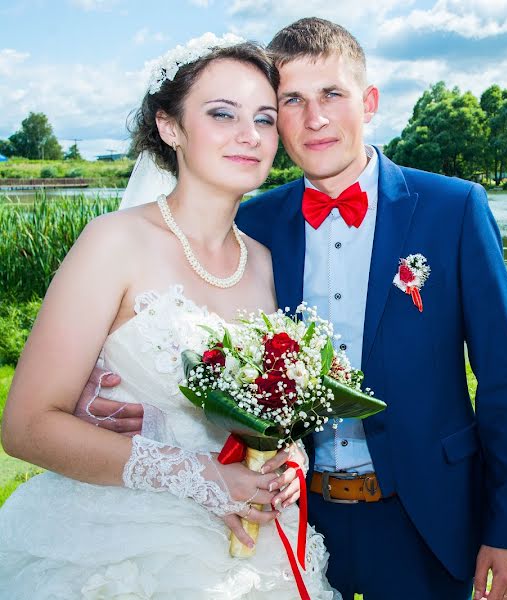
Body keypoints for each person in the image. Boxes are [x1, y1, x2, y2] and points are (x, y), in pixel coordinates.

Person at [78, 17, 507, 600]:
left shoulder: (454, 209)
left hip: (429, 516)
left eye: (332, 95)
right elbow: (190, 336)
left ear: (367, 101)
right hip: (293, 518)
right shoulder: (252, 222)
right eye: (291, 100)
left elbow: (505, 380)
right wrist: (118, 393)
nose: (314, 118)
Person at [0, 36, 339, 599]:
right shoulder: (114, 243)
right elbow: (25, 425)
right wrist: (206, 479)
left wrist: (285, 460)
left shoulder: (269, 264)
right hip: (126, 546)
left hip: (255, 549)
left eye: (264, 118)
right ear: (170, 127)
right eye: (221, 114)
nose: (249, 135)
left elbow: (271, 412)